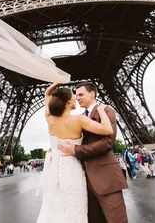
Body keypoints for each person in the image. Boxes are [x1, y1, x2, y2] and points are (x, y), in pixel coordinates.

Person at [55, 82, 128, 223]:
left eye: (81, 94)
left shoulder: (105, 110)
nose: (78, 97)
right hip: (85, 180)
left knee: (116, 220)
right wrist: (58, 148)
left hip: (106, 178)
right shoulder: (81, 117)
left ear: (92, 94)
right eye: (76, 95)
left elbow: (108, 142)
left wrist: (76, 150)